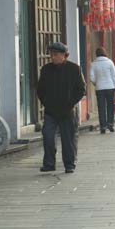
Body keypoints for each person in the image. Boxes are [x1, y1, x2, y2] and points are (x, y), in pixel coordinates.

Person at [36, 41, 86, 173]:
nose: (52, 57)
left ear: (65, 55)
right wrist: (46, 102)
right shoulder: (46, 70)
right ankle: (49, 163)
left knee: (68, 139)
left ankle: (69, 164)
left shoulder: (74, 69)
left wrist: (71, 103)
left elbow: (81, 89)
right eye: (51, 54)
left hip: (68, 110)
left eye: (56, 54)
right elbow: (40, 90)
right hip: (51, 111)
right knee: (48, 136)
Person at [89, 47, 115, 134]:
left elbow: (91, 77)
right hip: (110, 87)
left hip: (99, 88)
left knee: (101, 107)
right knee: (110, 106)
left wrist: (96, 83)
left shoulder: (93, 64)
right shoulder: (110, 62)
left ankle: (103, 126)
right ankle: (110, 124)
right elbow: (114, 76)